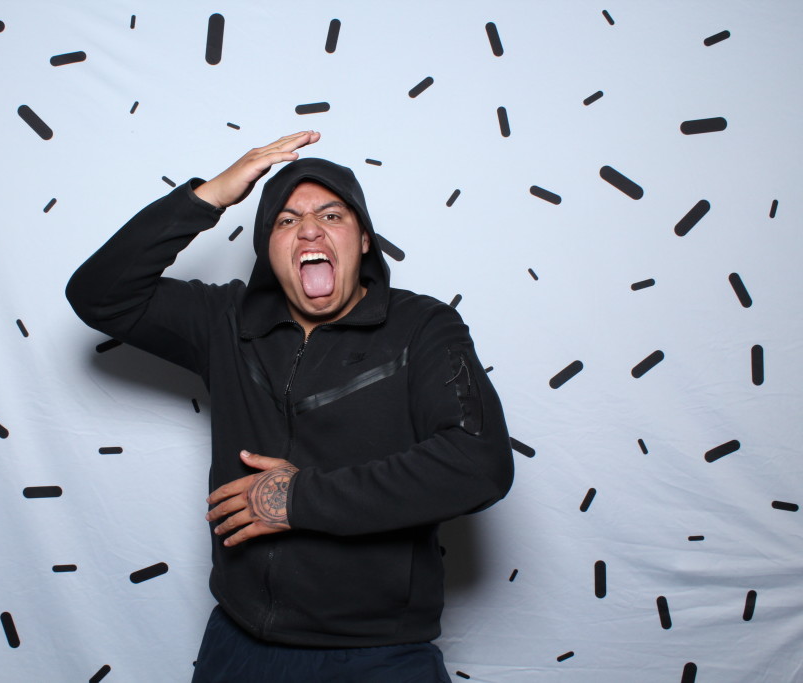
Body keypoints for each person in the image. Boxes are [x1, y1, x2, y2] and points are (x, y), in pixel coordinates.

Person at [66, 131, 514, 682]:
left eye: (332, 215)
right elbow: (98, 294)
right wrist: (209, 196)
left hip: (376, 653)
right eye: (286, 220)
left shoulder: (423, 327)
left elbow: (478, 463)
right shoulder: (224, 321)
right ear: (268, 250)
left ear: (364, 240)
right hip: (237, 643)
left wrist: (297, 499)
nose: (309, 229)